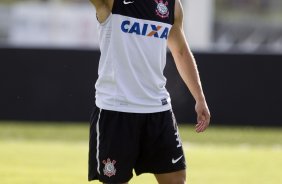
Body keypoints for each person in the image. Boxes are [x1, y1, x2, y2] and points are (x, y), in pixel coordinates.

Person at [88, 0, 211, 183]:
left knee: (177, 180)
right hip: (116, 111)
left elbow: (181, 51)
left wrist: (199, 97)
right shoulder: (114, 3)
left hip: (158, 110)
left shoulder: (172, 5)